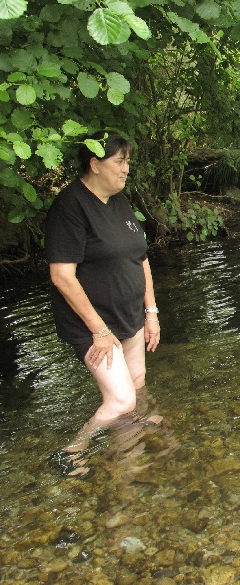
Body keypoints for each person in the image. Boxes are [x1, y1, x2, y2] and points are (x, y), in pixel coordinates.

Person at [44, 131, 161, 478]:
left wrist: (151, 312)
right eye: (119, 162)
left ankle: (129, 453)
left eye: (128, 162)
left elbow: (141, 259)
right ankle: (71, 451)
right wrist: (99, 330)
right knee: (121, 400)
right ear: (95, 164)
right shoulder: (70, 207)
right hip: (93, 324)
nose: (126, 170)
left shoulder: (120, 201)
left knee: (137, 381)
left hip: (130, 315)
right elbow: (61, 275)